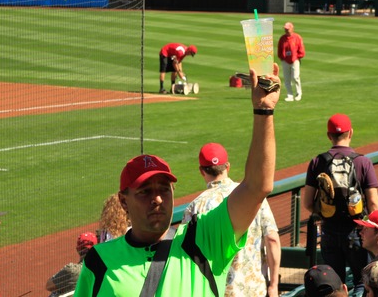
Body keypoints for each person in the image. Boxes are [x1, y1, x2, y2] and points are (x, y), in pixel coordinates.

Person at [74, 64, 280, 296]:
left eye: (164, 188)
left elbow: (257, 186)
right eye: (144, 191)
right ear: (123, 201)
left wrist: (263, 111)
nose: (158, 198)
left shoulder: (203, 242)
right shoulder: (99, 261)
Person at [182, 142, 281, 297]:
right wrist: (274, 285)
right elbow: (272, 240)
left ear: (201, 171)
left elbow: (186, 258)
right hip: (255, 290)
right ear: (227, 167)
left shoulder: (195, 207)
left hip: (216, 292)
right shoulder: (252, 196)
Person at [302, 113, 378, 291]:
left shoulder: (318, 162)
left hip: (329, 231)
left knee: (333, 285)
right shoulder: (362, 162)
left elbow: (307, 203)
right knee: (363, 282)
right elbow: (374, 203)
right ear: (351, 132)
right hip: (358, 232)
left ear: (329, 135)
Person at [46, 232, 97, 296]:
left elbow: (48, 286)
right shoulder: (103, 268)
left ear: (78, 249)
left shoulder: (71, 270)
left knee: (55, 293)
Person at [277, 22, 305, 102]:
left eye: (288, 29)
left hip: (294, 60)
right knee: (287, 79)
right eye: (285, 29)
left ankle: (298, 93)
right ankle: (290, 95)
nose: (286, 30)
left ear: (292, 29)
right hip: (285, 60)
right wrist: (281, 57)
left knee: (295, 77)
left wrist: (298, 57)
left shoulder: (297, 37)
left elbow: (301, 49)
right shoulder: (282, 38)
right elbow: (279, 49)